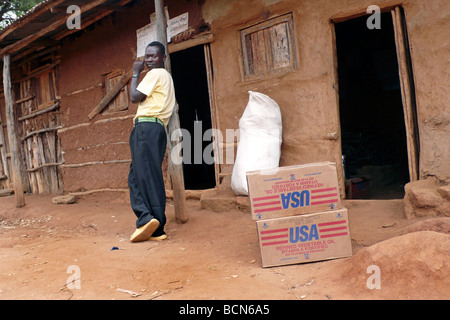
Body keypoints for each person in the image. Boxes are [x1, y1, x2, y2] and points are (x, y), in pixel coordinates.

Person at [128, 41, 175, 242]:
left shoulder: (155, 74)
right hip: (157, 129)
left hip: (146, 128)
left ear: (163, 58)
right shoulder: (168, 79)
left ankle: (151, 221)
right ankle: (153, 224)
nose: (148, 60)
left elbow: (133, 96)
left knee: (143, 177)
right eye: (147, 56)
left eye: (154, 56)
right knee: (140, 177)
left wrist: (135, 73)